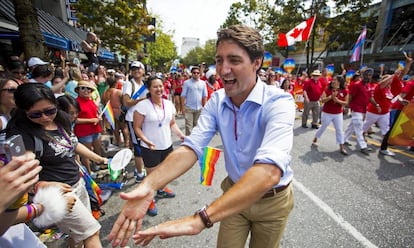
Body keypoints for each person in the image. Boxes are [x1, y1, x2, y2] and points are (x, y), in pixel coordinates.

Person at [108, 24, 295, 248]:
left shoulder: (279, 102)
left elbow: (269, 172)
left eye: (234, 60)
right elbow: (191, 147)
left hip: (272, 202)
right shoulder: (217, 100)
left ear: (256, 62)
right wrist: (149, 185)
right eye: (219, 60)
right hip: (233, 194)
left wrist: (200, 220)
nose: (223, 70)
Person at [6, 83, 104, 248]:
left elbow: (72, 144)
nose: (45, 117)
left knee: (79, 237)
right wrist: (42, 185)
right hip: (57, 195)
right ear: (24, 112)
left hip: (77, 183)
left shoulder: (62, 119)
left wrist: (100, 159)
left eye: (50, 111)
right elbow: (22, 174)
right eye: (36, 114)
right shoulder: (22, 135)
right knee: (92, 232)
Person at [131, 76, 185, 216]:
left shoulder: (168, 104)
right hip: (150, 148)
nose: (159, 89)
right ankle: (148, 200)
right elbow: (137, 127)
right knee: (152, 176)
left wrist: (181, 135)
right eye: (155, 86)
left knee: (164, 171)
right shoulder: (142, 106)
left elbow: (172, 123)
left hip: (167, 145)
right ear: (149, 89)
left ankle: (161, 189)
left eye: (160, 86)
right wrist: (146, 140)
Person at [121, 61, 148, 182]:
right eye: (133, 69)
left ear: (143, 70)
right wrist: (140, 100)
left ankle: (143, 167)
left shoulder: (144, 84)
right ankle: (139, 173)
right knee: (138, 147)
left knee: (144, 143)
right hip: (133, 119)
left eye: (138, 68)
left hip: (144, 118)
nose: (136, 71)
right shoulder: (128, 84)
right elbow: (126, 102)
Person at [312, 75, 349, 155]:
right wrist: (330, 97)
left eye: (335, 80)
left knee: (339, 130)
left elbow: (346, 102)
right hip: (327, 113)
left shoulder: (344, 91)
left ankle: (341, 147)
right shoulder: (327, 89)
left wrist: (337, 100)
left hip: (338, 114)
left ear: (339, 82)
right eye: (333, 80)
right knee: (323, 127)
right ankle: (315, 139)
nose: (333, 81)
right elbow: (322, 100)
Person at [74, 81, 104, 174]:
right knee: (85, 154)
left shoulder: (91, 100)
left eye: (89, 89)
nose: (86, 90)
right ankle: (89, 172)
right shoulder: (75, 102)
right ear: (78, 90)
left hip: (95, 130)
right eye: (83, 88)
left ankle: (98, 165)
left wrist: (98, 117)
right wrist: (91, 120)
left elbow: (95, 113)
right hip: (84, 132)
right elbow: (74, 120)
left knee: (97, 149)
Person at [343, 68, 374, 155]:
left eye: (370, 75)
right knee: (359, 127)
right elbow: (351, 95)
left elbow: (370, 98)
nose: (368, 77)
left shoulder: (368, 86)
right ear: (363, 76)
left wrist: (377, 105)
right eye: (367, 75)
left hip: (363, 109)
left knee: (352, 126)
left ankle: (343, 139)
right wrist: (347, 105)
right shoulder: (357, 85)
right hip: (356, 109)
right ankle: (363, 146)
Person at [180, 66, 208, 135]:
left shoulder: (203, 83)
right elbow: (183, 96)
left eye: (197, 73)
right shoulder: (187, 83)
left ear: (199, 74)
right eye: (194, 73)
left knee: (197, 127)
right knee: (189, 127)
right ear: (191, 73)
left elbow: (205, 96)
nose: (196, 74)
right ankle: (189, 143)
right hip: (189, 108)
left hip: (199, 108)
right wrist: (183, 108)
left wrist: (205, 108)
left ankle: (195, 142)